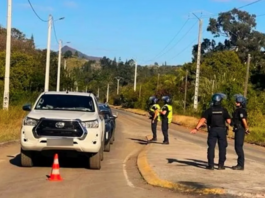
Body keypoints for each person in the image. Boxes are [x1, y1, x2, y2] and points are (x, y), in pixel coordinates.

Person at [190, 93, 231, 170]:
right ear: (220, 101)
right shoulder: (223, 110)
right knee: (222, 148)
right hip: (222, 130)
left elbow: (202, 120)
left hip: (212, 130)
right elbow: (229, 121)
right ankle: (221, 165)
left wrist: (196, 128)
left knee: (211, 147)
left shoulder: (209, 110)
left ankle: (211, 165)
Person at [231, 94, 249, 170]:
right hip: (237, 129)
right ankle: (239, 164)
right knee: (237, 146)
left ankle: (241, 165)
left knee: (238, 147)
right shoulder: (238, 110)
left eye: (238, 102)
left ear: (241, 103)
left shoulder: (241, 110)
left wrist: (246, 128)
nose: (236, 103)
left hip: (240, 129)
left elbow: (243, 119)